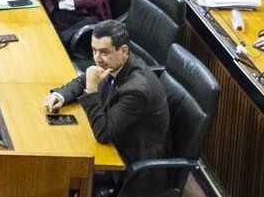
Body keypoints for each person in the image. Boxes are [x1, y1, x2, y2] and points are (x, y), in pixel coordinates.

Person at [43, 20, 169, 163]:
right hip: (114, 134)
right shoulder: (116, 62)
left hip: (128, 157)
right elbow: (88, 77)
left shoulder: (136, 90)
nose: (97, 58)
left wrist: (91, 91)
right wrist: (60, 95)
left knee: (60, 160)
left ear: (123, 51)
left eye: (104, 52)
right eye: (94, 50)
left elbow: (103, 133)